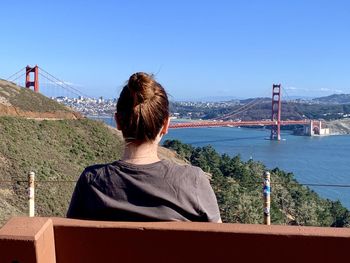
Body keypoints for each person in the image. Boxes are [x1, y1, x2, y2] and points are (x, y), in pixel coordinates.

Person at [67, 72, 221, 222]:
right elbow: (222, 241)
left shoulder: (91, 180)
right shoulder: (193, 179)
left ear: (118, 121)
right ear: (166, 125)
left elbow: (69, 236)